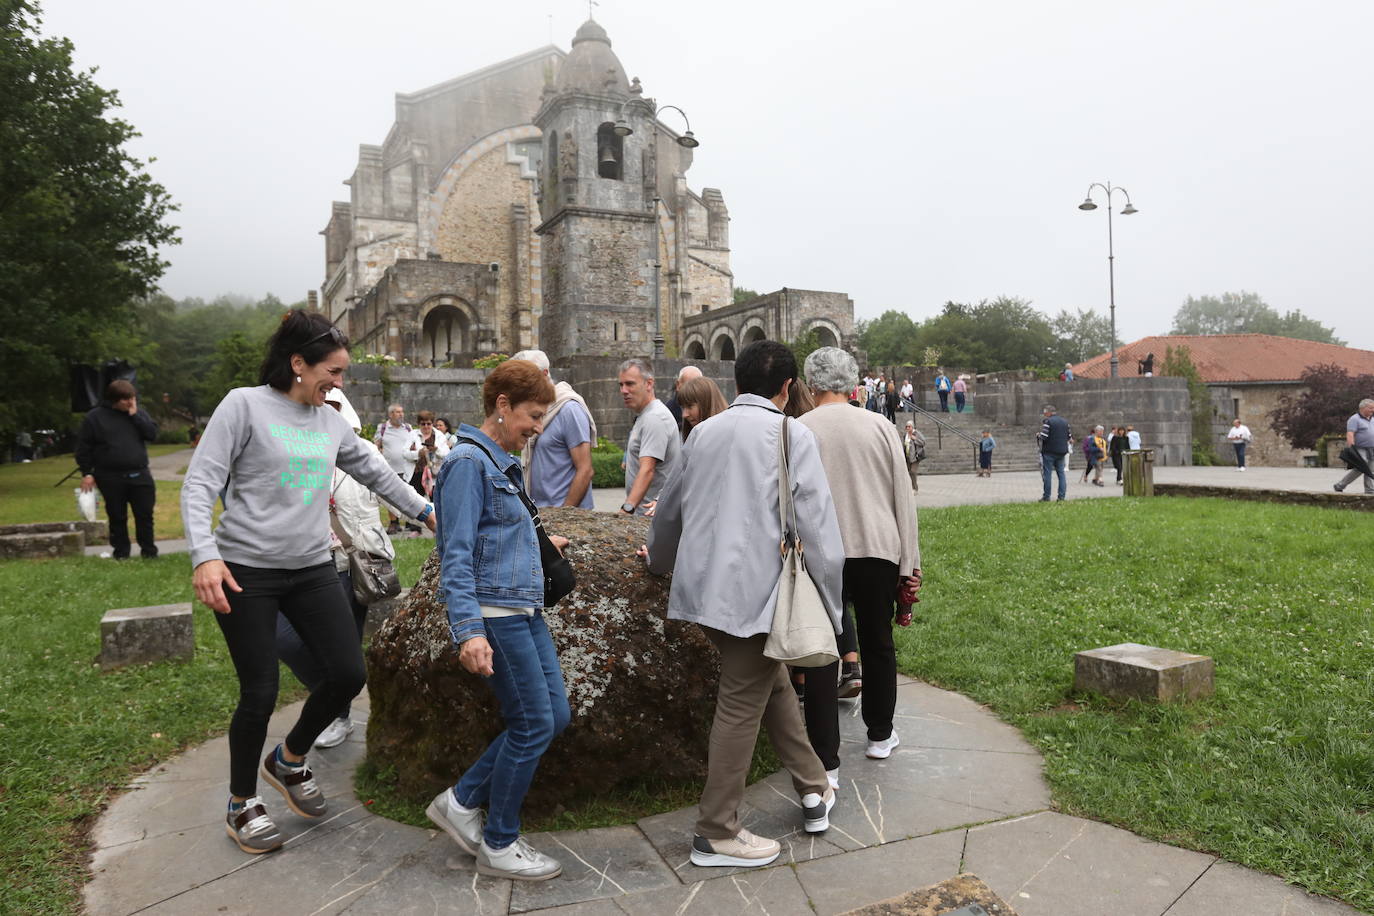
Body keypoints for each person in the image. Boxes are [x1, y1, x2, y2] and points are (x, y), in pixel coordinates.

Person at [181, 310, 435, 855]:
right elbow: (200, 483)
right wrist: (205, 557)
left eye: (343, 373)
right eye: (333, 371)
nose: (339, 383)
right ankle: (242, 802)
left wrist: (428, 512)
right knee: (259, 692)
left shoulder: (328, 422)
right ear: (298, 363)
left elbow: (375, 472)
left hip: (314, 566)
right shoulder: (243, 405)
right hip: (246, 571)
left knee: (346, 673)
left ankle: (289, 759)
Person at [645, 340, 843, 868]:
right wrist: (832, 606)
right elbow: (819, 531)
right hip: (755, 595)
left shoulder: (704, 431)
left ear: (735, 383)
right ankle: (716, 831)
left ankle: (813, 784)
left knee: (768, 681)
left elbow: (669, 511)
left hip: (702, 591)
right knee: (741, 702)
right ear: (787, 388)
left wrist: (659, 562)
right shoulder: (792, 432)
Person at [425, 358, 572, 881]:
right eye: (532, 415)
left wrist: (536, 547)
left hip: (522, 607)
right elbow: (456, 553)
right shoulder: (468, 463)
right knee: (532, 724)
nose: (536, 427)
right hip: (496, 615)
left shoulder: (497, 461)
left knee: (553, 718)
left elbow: (495, 535)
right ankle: (499, 842)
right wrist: (469, 632)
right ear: (502, 406)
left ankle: (461, 801)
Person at [799, 346, 921, 777]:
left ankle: (826, 761)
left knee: (821, 652)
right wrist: (910, 561)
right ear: (853, 384)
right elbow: (902, 498)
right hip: (877, 547)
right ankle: (879, 734)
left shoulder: (795, 429)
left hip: (819, 551)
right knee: (877, 642)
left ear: (809, 384)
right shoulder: (881, 427)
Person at [274, 387, 389, 750]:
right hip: (301, 561)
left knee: (343, 648)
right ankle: (333, 700)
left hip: (351, 564)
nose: (326, 411)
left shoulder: (366, 452)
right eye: (320, 404)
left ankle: (336, 715)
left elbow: (394, 491)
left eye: (334, 405)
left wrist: (433, 515)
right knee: (284, 639)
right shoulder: (297, 452)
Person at [75, 379, 160, 560]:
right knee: (117, 516)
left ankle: (149, 552)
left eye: (132, 398)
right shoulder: (95, 418)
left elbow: (151, 434)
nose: (130, 403)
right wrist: (87, 472)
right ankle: (121, 553)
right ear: (114, 400)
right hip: (110, 475)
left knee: (144, 514)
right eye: (125, 400)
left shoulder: (138, 414)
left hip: (139, 473)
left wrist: (135, 415)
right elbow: (84, 448)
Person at [513, 349, 598, 510]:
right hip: (540, 513)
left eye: (527, 379)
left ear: (545, 374)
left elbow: (585, 470)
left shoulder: (569, 409)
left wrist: (563, 514)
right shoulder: (537, 410)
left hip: (565, 518)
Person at [618, 358, 681, 517]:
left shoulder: (655, 417)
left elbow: (647, 469)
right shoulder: (646, 415)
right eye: (621, 384)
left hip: (649, 517)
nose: (624, 390)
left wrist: (627, 510)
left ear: (649, 384)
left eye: (630, 384)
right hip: (647, 514)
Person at [374, 403, 414, 533]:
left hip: (407, 468)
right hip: (389, 469)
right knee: (390, 496)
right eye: (397, 412)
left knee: (409, 495)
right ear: (390, 414)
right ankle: (393, 523)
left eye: (402, 412)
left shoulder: (408, 428)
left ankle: (410, 521)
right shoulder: (383, 428)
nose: (401, 414)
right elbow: (377, 444)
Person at [1333, 398, 1374, 494]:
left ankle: (1370, 490)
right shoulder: (1354, 419)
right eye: (1371, 408)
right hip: (1360, 448)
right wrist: (1352, 448)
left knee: (1371, 469)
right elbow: (1350, 434)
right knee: (1361, 467)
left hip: (1372, 448)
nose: (1373, 410)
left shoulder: (1372, 419)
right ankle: (1340, 485)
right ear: (1363, 408)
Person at [409, 410, 450, 499]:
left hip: (435, 474)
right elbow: (404, 453)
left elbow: (447, 454)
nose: (426, 426)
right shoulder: (412, 435)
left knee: (435, 501)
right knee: (416, 501)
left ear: (432, 423)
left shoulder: (439, 436)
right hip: (416, 473)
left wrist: (436, 450)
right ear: (419, 424)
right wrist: (418, 453)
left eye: (429, 423)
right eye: (423, 424)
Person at [1037, 405, 1073, 502]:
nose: (1044, 415)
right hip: (1061, 452)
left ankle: (1046, 496)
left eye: (1045, 413)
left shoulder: (1048, 422)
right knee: (1061, 474)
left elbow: (1044, 436)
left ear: (1049, 412)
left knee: (1047, 474)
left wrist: (1038, 435)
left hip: (1049, 452)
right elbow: (1069, 436)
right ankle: (1061, 497)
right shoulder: (1065, 422)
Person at [665, 364, 703, 428]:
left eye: (697, 385)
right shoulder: (668, 411)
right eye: (689, 384)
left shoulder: (709, 407)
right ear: (678, 385)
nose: (693, 389)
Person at [902, 420, 926, 491]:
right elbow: (904, 445)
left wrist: (915, 439)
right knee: (908, 472)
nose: (907, 428)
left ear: (912, 427)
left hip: (915, 456)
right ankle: (910, 487)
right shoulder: (905, 435)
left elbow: (923, 442)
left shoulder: (916, 433)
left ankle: (915, 488)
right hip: (907, 456)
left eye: (909, 427)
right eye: (906, 427)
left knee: (913, 471)